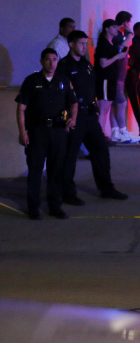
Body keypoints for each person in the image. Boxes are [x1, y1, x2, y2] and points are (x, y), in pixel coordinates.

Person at [57, 30, 128, 205]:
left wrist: (95, 106)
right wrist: (67, 117)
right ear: (71, 44)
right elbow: (61, 93)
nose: (84, 46)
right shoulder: (64, 66)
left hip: (90, 115)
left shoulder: (86, 64)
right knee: (70, 155)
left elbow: (92, 86)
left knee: (101, 151)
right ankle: (67, 193)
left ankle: (106, 188)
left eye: (85, 43)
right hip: (75, 115)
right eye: (80, 43)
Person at [16, 48, 78, 220]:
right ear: (42, 61)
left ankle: (54, 206)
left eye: (54, 59)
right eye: (48, 60)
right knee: (35, 171)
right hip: (37, 131)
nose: (52, 63)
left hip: (58, 131)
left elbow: (73, 103)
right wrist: (22, 132)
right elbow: (21, 108)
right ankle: (33, 208)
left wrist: (73, 119)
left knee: (56, 170)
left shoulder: (64, 80)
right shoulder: (31, 81)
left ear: (58, 61)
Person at [95, 18, 139, 143]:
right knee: (103, 109)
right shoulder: (103, 44)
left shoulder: (110, 43)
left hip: (111, 79)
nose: (116, 29)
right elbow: (103, 64)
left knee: (107, 108)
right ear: (107, 29)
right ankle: (99, 136)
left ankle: (102, 135)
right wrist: (117, 56)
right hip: (105, 79)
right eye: (114, 27)